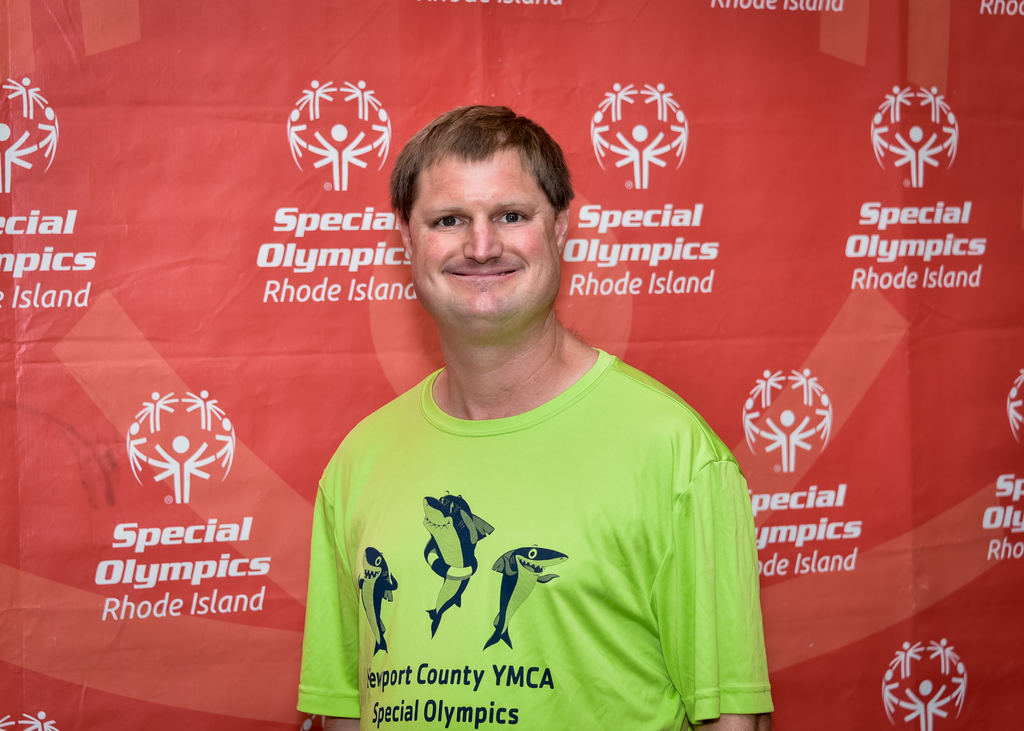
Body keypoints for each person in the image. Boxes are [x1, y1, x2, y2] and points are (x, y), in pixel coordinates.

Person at [298, 105, 773, 730]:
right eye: (449, 220)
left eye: (511, 216)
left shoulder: (674, 453)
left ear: (561, 228)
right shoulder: (359, 461)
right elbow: (344, 713)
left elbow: (733, 721)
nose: (481, 246)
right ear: (407, 240)